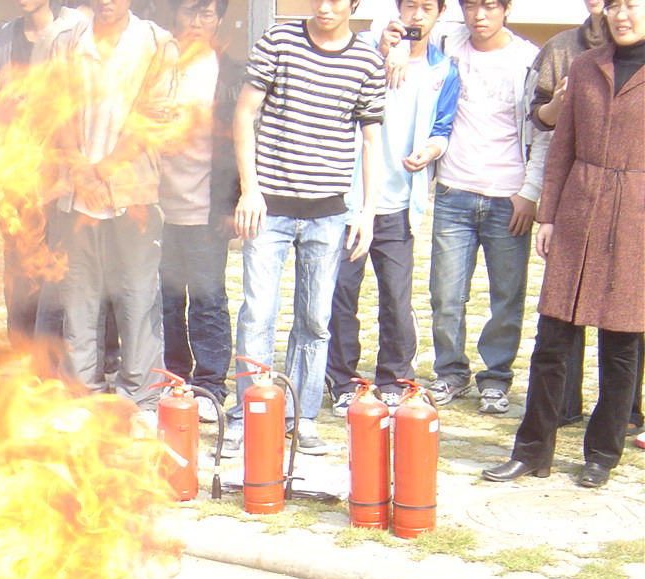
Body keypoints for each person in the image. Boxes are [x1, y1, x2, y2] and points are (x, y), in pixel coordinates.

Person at [482, 0, 644, 488]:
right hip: (578, 211)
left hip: (635, 218)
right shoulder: (585, 65)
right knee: (552, 341)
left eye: (632, 4)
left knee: (621, 347)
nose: (622, 14)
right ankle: (532, 450)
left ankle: (602, 455)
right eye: (614, 5)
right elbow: (561, 147)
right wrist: (549, 215)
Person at [225, 0, 385, 456]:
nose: (324, 6)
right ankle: (249, 413)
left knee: (315, 320)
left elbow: (372, 141)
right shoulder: (279, 40)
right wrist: (249, 189)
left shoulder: (367, 60)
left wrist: (367, 212)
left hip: (329, 212)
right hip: (269, 208)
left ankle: (302, 415)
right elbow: (244, 114)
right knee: (258, 313)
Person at [327, 0, 459, 415]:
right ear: (397, 10)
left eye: (426, 8)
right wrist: (382, 52)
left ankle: (394, 378)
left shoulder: (442, 70)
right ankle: (342, 380)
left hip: (399, 201)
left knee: (397, 298)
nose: (416, 16)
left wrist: (430, 151)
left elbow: (443, 127)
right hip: (349, 200)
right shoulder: (364, 51)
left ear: (439, 14)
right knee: (341, 294)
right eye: (409, 6)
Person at [48, 0, 178, 419]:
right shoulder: (67, 43)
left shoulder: (156, 43)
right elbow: (54, 113)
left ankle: (139, 398)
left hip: (133, 193)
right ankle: (81, 392)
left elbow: (155, 119)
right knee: (78, 296)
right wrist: (82, 173)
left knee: (137, 296)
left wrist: (105, 171)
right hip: (75, 196)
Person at [422, 0, 547, 414]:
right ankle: (450, 371)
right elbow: (402, 26)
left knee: (506, 297)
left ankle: (495, 377)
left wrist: (530, 191)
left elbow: (542, 130)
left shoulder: (528, 59)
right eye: (471, 5)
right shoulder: (447, 43)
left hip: (508, 195)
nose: (480, 15)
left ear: (506, 9)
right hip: (454, 190)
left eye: (490, 5)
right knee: (445, 294)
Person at [158, 0, 241, 422]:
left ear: (218, 19)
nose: (196, 22)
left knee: (207, 299)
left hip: (207, 205)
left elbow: (241, 141)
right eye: (189, 12)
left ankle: (210, 385)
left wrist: (231, 202)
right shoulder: (156, 65)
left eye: (206, 13)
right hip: (156, 206)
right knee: (166, 300)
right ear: (175, 15)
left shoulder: (230, 73)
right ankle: (174, 378)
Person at [529, 0, 610, 428]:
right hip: (579, 193)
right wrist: (547, 212)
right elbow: (544, 125)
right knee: (564, 309)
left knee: (623, 318)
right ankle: (562, 406)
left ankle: (624, 414)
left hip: (629, 201)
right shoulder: (565, 49)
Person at [0, 1, 85, 341]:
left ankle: (58, 346)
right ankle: (22, 345)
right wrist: (3, 106)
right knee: (17, 264)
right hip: (16, 172)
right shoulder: (1, 39)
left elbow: (82, 100)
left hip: (62, 172)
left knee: (61, 263)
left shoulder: (74, 32)